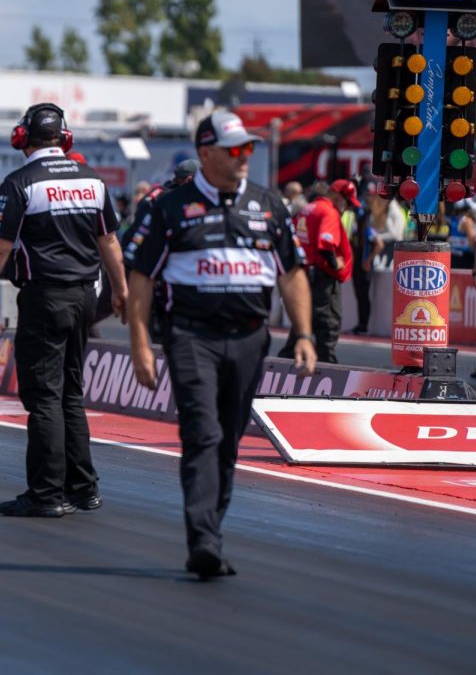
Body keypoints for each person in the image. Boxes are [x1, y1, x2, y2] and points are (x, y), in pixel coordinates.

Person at [126, 110, 316, 579]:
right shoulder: (167, 208)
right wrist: (140, 345)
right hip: (190, 335)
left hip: (251, 337)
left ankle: (213, 532)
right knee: (202, 433)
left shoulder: (270, 205)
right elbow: (140, 280)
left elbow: (293, 273)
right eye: (235, 150)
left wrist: (305, 334)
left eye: (248, 149)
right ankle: (203, 541)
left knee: (227, 441)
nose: (244, 157)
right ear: (206, 154)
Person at [0, 102, 128, 518]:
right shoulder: (92, 181)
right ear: (65, 138)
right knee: (71, 394)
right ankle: (84, 489)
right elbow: (109, 241)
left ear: (22, 138)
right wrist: (121, 290)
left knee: (44, 398)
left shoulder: (21, 182)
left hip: (44, 297)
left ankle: (46, 494)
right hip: (85, 298)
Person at [120, 159, 198, 342]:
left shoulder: (166, 195)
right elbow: (140, 240)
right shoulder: (164, 202)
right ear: (188, 180)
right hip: (144, 273)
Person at [279, 180, 354, 364]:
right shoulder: (328, 211)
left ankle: (278, 369)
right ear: (338, 197)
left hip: (307, 273)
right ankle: (328, 374)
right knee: (328, 325)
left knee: (303, 325)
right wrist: (334, 263)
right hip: (323, 277)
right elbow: (326, 242)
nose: (347, 208)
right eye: (347, 202)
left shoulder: (309, 208)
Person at [346, 184, 385, 334]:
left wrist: (368, 261)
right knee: (359, 295)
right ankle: (360, 324)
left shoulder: (368, 227)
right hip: (357, 264)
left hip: (364, 265)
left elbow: (379, 244)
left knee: (363, 296)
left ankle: (363, 325)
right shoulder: (358, 228)